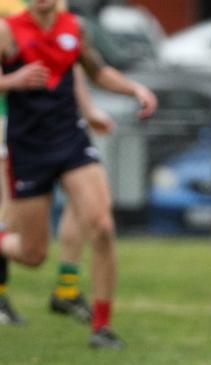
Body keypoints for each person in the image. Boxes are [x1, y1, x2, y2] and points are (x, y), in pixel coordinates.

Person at [0, 0, 157, 349]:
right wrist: (13, 79)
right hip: (27, 149)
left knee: (101, 226)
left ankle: (101, 328)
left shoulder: (74, 28)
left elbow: (95, 72)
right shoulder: (8, 30)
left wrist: (134, 90)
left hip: (71, 139)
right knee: (32, 254)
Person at [0, 0, 112, 326]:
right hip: (15, 131)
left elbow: (69, 66)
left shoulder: (62, 19)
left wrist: (89, 111)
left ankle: (67, 288)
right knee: (10, 222)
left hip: (60, 133)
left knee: (88, 210)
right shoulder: (13, 20)